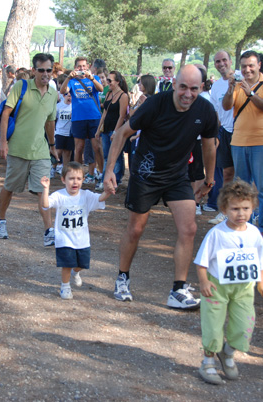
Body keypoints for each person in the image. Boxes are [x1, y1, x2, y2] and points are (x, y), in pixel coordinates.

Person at [103, 64, 218, 308]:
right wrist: (109, 170)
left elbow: (209, 145)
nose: (188, 94)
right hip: (146, 174)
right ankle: (122, 278)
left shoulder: (206, 110)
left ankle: (178, 290)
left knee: (188, 229)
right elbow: (123, 133)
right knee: (136, 229)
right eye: (183, 87)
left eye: (194, 89)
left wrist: (208, 179)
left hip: (177, 176)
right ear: (174, 84)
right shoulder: (155, 104)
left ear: (202, 88)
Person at [194, 179, 263, 385]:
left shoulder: (254, 233)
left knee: (244, 325)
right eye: (235, 209)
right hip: (217, 286)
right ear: (224, 209)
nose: (241, 214)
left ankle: (228, 353)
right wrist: (203, 282)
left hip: (244, 288)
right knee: (213, 326)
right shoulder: (217, 234)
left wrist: (262, 283)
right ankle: (208, 362)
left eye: (246, 208)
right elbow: (202, 261)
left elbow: (259, 261)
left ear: (253, 208)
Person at [0, 53, 59, 246]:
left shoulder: (53, 93)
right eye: (41, 70)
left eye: (49, 70)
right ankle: (1, 220)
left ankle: (48, 231)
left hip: (41, 151)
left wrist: (53, 146)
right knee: (10, 187)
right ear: (34, 70)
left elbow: (50, 122)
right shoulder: (21, 87)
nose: (45, 74)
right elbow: (6, 114)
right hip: (18, 148)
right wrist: (3, 142)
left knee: (43, 190)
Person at [222, 50, 263, 239]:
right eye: (244, 66)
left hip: (262, 143)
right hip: (238, 142)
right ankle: (242, 225)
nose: (247, 69)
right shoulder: (238, 85)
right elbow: (226, 106)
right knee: (241, 188)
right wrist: (231, 89)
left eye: (251, 65)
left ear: (259, 65)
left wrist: (251, 93)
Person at [40, 162, 111, 299]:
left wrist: (107, 192)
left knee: (81, 264)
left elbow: (100, 199)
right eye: (71, 178)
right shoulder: (59, 195)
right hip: (64, 238)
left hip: (82, 239)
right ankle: (65, 286)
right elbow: (45, 204)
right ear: (63, 180)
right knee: (67, 264)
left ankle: (75, 272)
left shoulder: (86, 195)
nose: (75, 182)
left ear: (83, 180)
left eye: (78, 179)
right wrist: (45, 189)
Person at [59, 57, 105, 184]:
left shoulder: (94, 78)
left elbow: (101, 89)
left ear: (88, 66)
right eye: (79, 66)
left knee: (97, 147)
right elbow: (63, 91)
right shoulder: (72, 81)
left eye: (84, 66)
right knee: (78, 148)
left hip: (94, 117)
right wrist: (68, 77)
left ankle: (101, 174)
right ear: (75, 67)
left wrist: (91, 78)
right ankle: (77, 176)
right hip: (78, 118)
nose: (82, 69)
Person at [208, 51, 235, 225]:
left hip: (243, 131)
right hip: (224, 132)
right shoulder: (216, 86)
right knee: (227, 174)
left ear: (231, 61)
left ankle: (251, 213)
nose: (221, 64)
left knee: (247, 176)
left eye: (224, 60)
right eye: (217, 61)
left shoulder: (241, 78)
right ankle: (225, 211)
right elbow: (215, 113)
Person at [95, 70, 129, 190]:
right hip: (106, 129)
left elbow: (122, 116)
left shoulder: (123, 96)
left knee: (116, 156)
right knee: (106, 156)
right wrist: (98, 129)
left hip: (116, 130)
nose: (107, 82)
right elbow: (104, 113)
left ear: (118, 82)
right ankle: (106, 179)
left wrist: (116, 132)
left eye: (110, 80)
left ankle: (117, 179)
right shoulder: (109, 94)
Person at [54, 88, 74, 178]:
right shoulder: (58, 106)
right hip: (59, 131)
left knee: (67, 153)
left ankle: (65, 171)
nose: (69, 98)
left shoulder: (74, 106)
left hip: (69, 132)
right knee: (58, 151)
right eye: (68, 95)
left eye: (71, 96)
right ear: (63, 96)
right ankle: (53, 167)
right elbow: (54, 119)